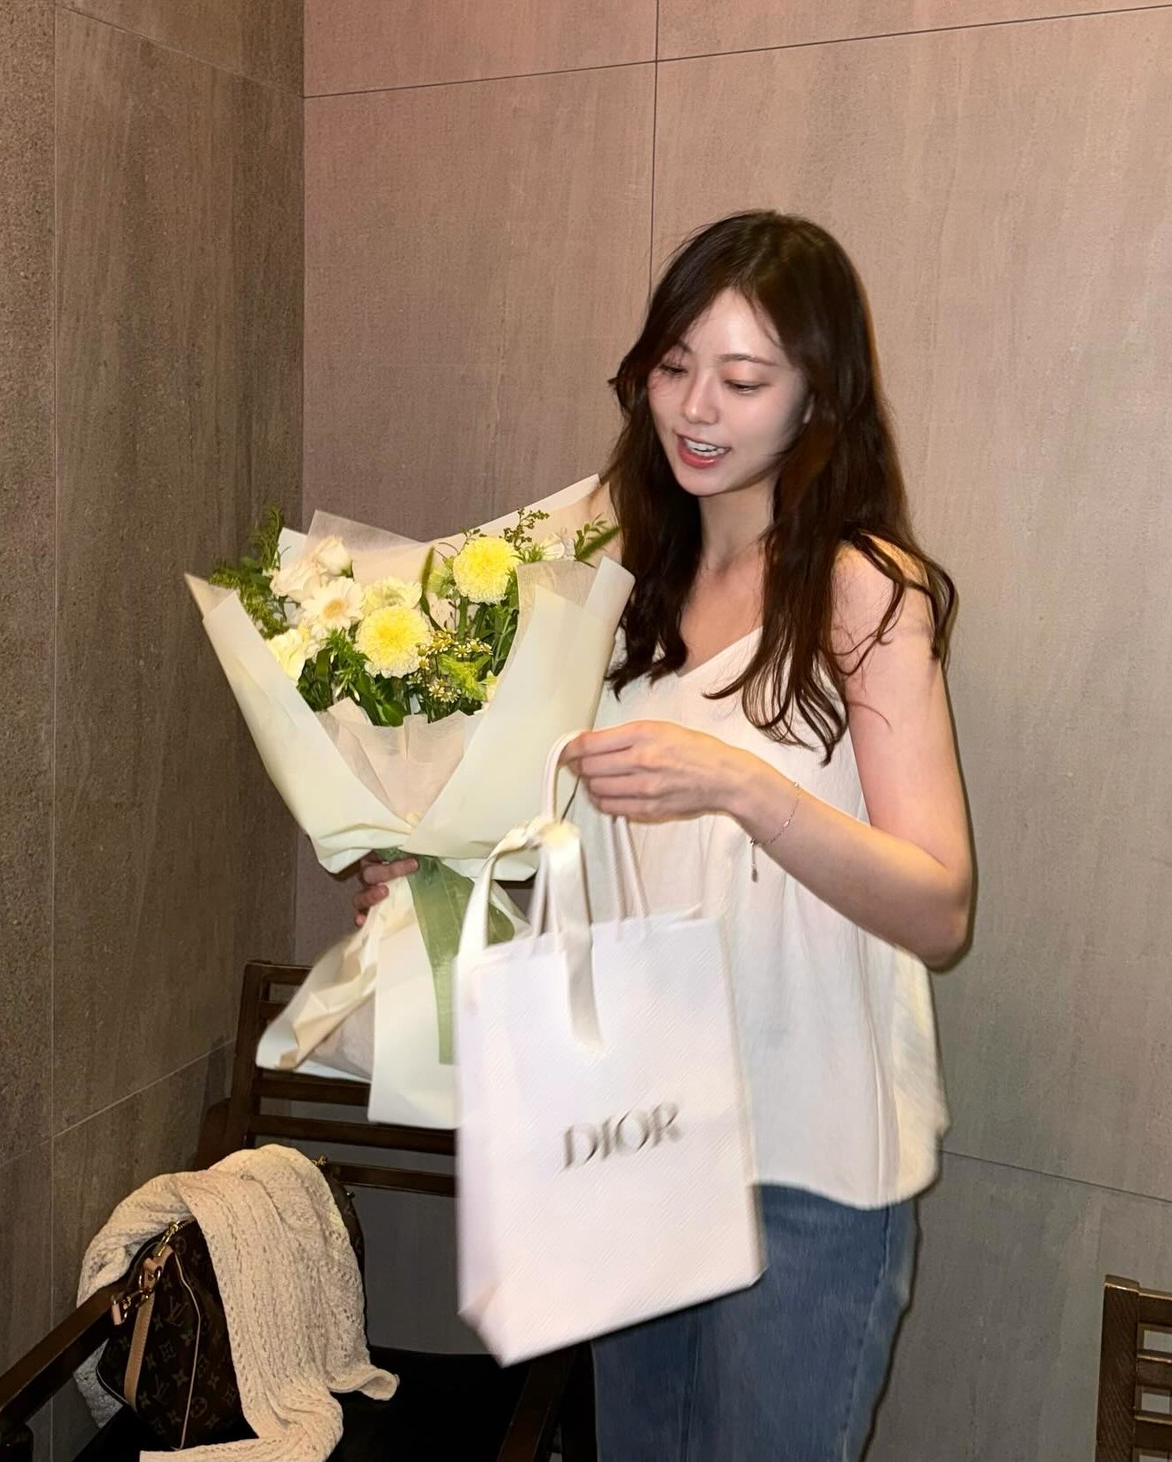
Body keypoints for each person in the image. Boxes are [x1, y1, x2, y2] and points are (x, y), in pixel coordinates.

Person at [356, 210, 973, 1462]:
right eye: (674, 365)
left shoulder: (860, 588)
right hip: (630, 1129)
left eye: (743, 379)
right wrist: (442, 881)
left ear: (816, 398)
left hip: (809, 1155)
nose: (695, 407)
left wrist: (739, 785)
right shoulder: (610, 583)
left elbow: (938, 908)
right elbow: (602, 870)